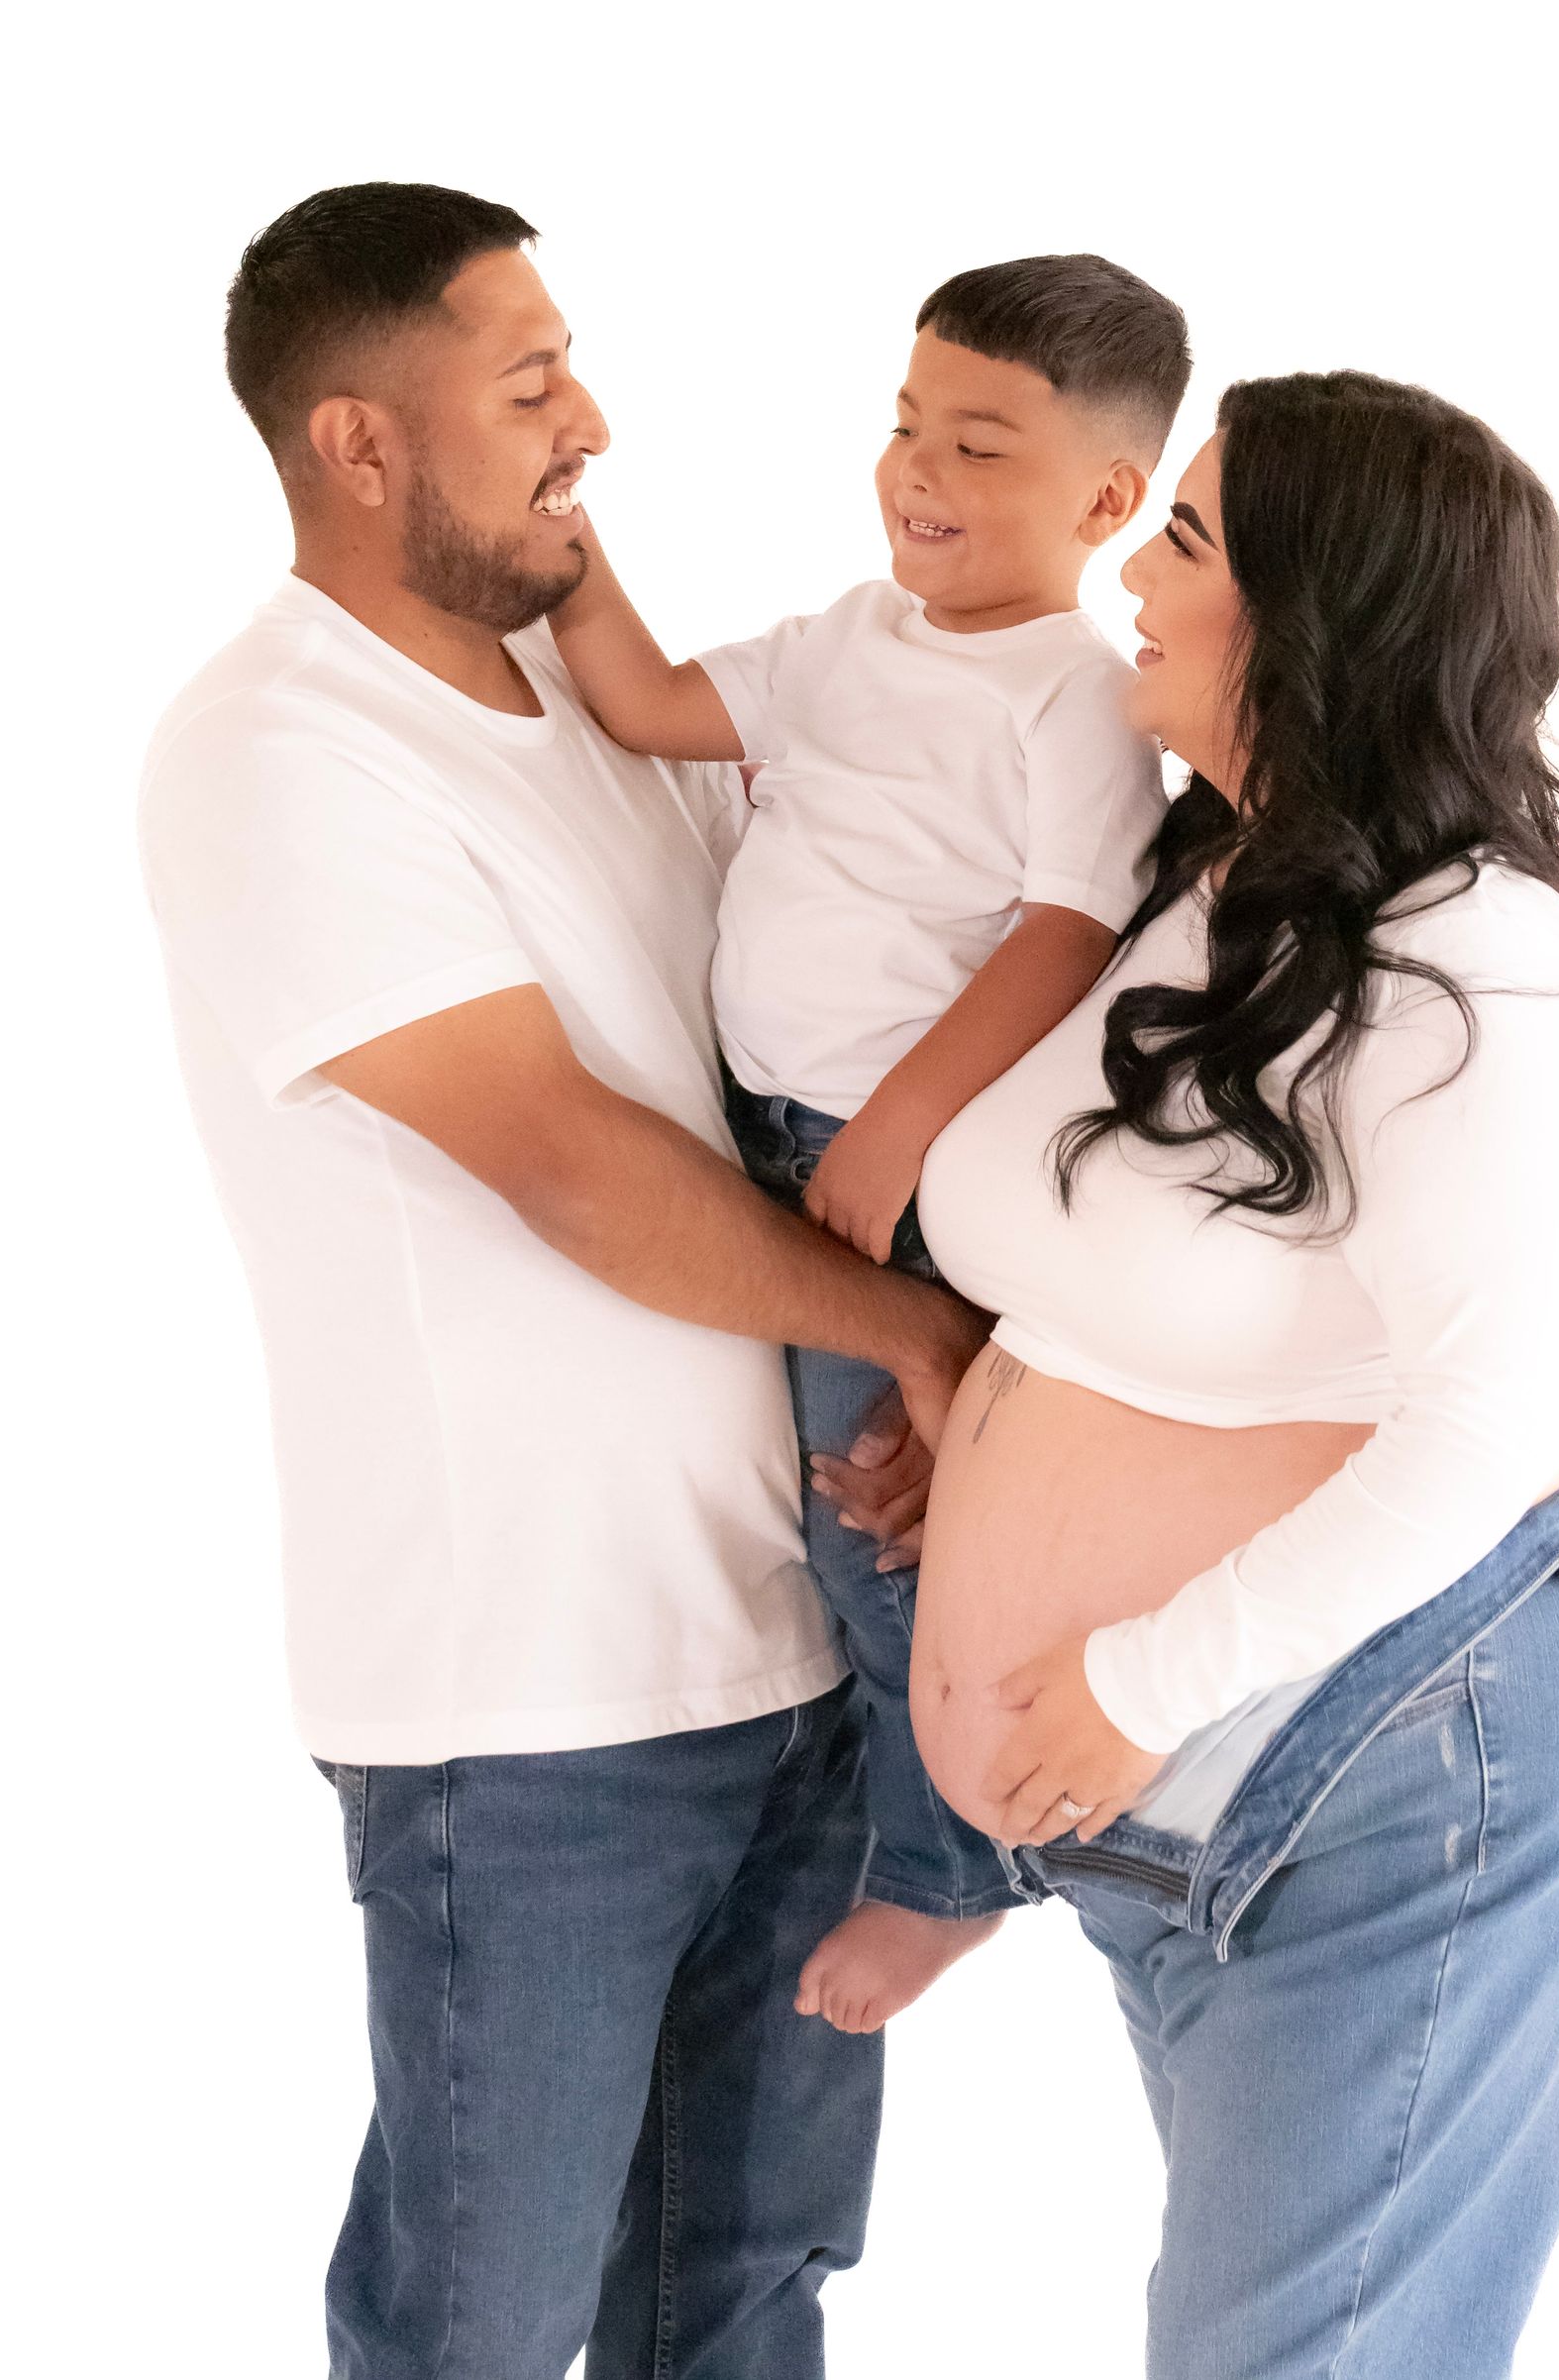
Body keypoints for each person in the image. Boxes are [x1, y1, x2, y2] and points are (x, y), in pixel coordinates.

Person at [138, 182, 987, 2380]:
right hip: (523, 1722)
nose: (586, 422)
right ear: (360, 444)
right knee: (480, 2333)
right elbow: (566, 1157)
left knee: (745, 2292)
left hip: (781, 1671)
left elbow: (777, 1036)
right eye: (527, 385)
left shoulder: (576, 696)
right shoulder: (277, 750)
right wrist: (905, 1328)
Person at [908, 371, 1559, 2377]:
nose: (1127, 575)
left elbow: (1480, 1424)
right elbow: (1159, 1277)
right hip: (1230, 1787)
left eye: (1182, 540)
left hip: (1416, 1750)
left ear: (1319, 617)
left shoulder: (1478, 964)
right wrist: (996, 1436)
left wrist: (1132, 1677)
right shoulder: (1225, 876)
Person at [549, 255, 1183, 2029]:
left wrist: (897, 1133)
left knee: (875, 1527)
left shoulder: (1069, 694)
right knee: (799, 1519)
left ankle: (953, 1867)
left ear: (1109, 501)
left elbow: (1064, 934)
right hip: (765, 1135)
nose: (919, 470)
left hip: (882, 1160)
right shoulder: (847, 639)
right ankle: (889, 1816)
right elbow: (656, 707)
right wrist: (563, 532)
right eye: (908, 424)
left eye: (980, 445)